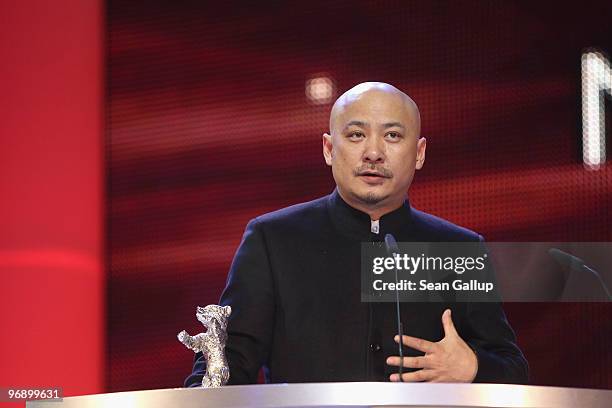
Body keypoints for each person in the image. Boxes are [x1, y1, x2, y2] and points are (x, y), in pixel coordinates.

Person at [185, 82, 528, 386]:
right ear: (329, 149)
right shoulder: (273, 239)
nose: (374, 153)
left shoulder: (459, 249)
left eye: (392, 135)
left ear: (420, 153)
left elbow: (513, 369)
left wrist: (473, 367)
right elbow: (229, 362)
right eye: (356, 135)